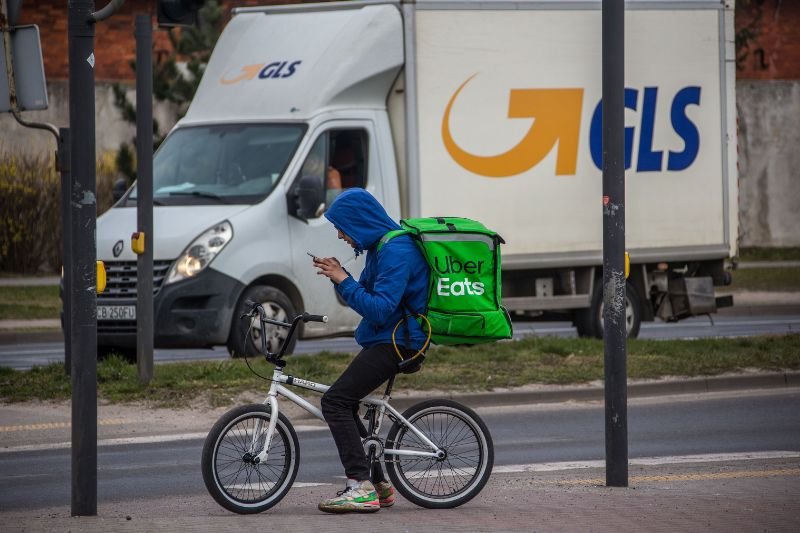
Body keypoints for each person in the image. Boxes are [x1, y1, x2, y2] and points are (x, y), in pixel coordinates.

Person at [312, 188, 430, 513]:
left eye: (342, 227)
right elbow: (366, 297)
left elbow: (379, 309)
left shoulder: (397, 250)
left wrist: (343, 280)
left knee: (334, 401)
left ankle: (359, 487)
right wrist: (342, 277)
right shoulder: (381, 248)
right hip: (385, 339)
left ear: (359, 221)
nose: (340, 235)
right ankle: (379, 484)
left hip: (398, 343)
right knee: (345, 402)